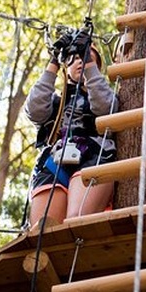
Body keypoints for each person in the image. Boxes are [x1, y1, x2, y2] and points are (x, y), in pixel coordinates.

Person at [24, 30, 118, 228]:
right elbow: (34, 110)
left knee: (76, 222)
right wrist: (54, 62)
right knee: (43, 228)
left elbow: (106, 108)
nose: (80, 62)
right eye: (73, 59)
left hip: (94, 155)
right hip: (55, 160)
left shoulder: (107, 96)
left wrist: (89, 64)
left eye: (85, 58)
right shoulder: (55, 103)